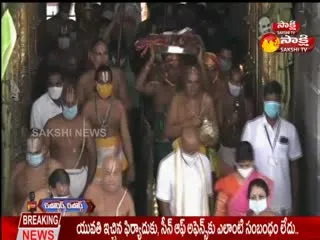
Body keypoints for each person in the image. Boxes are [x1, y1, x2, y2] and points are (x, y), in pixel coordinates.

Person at [241, 80, 302, 215]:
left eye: (276, 102)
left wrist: (296, 199)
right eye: (269, 102)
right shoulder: (251, 128)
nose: (273, 106)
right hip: (258, 200)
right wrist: (245, 201)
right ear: (263, 101)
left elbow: (295, 166)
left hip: (283, 200)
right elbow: (243, 166)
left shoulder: (290, 130)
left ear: (281, 102)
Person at [164, 65, 221, 178]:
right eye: (189, 82)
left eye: (196, 82)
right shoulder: (177, 100)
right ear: (184, 82)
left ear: (201, 84)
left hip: (202, 158)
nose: (193, 86)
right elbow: (168, 132)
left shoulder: (207, 101)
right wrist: (190, 124)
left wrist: (206, 132)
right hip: (179, 157)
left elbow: (215, 138)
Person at [82, 65, 134, 183]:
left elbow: (126, 137)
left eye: (108, 82)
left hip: (116, 155)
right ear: (95, 83)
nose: (105, 86)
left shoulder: (118, 107)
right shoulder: (88, 108)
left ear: (112, 83)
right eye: (101, 82)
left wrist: (131, 165)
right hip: (96, 156)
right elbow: (85, 140)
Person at [44, 84, 97, 198]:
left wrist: (88, 184)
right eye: (66, 104)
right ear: (61, 104)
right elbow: (43, 157)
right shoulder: (51, 125)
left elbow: (93, 156)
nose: (69, 107)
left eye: (72, 104)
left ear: (77, 102)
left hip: (81, 179)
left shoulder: (85, 125)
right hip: (58, 180)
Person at [156, 127, 213, 216]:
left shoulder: (205, 162)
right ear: (181, 143)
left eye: (195, 151)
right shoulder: (167, 165)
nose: (194, 155)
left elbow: (208, 195)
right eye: (190, 151)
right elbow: (163, 202)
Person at [214, 141, 273, 216]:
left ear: (253, 162)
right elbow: (219, 213)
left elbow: (268, 212)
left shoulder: (263, 181)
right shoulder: (226, 184)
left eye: (248, 165)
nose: (245, 168)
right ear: (235, 164)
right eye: (241, 166)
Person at [13, 132, 62, 215]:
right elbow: (13, 201)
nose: (32, 156)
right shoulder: (19, 169)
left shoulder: (55, 168)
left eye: (36, 153)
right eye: (29, 153)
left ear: (44, 149)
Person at [216, 67, 253, 175]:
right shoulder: (221, 101)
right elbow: (218, 128)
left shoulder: (247, 102)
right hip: (226, 149)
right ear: (228, 82)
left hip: (242, 152)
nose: (236, 86)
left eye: (238, 83)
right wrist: (229, 122)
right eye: (233, 82)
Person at [76, 39, 130, 110]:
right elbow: (79, 106)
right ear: (91, 56)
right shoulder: (84, 80)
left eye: (105, 53)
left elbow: (127, 104)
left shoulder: (118, 75)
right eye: (99, 54)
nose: (103, 58)